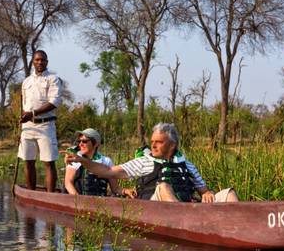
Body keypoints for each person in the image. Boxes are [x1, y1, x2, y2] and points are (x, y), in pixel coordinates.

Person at [65, 123, 238, 203]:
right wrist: (82, 160)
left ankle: (235, 228)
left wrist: (207, 193)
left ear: (172, 145)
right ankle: (183, 219)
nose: (153, 145)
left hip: (188, 209)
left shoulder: (187, 164)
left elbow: (204, 190)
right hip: (156, 209)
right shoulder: (145, 162)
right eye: (152, 141)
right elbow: (108, 171)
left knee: (229, 193)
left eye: (159, 142)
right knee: (163, 186)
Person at [18, 50, 62, 192]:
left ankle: (50, 197)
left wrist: (32, 113)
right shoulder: (26, 81)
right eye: (37, 60)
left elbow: (54, 102)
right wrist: (24, 117)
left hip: (46, 125)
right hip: (28, 127)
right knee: (28, 160)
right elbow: (24, 104)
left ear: (47, 62)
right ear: (32, 62)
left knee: (48, 162)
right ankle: (31, 194)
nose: (40, 62)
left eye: (42, 60)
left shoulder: (53, 79)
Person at [63, 128, 130, 197]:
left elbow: (115, 188)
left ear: (96, 144)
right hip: (78, 200)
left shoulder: (106, 161)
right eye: (79, 141)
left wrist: (126, 191)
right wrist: (78, 200)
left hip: (100, 203)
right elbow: (68, 183)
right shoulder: (75, 158)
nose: (80, 144)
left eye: (84, 141)